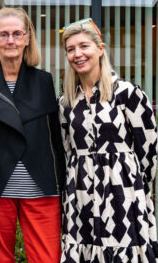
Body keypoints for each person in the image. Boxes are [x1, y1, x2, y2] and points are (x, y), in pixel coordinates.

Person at [0, 7, 65, 263]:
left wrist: (64, 188)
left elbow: (55, 141)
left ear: (28, 38)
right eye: (3, 34)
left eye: (17, 34)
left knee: (47, 259)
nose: (11, 41)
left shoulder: (44, 81)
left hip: (42, 188)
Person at [59, 18, 158, 262]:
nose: (77, 54)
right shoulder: (66, 102)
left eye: (84, 46)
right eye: (71, 49)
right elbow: (65, 148)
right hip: (79, 192)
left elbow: (149, 149)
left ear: (100, 49)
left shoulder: (128, 93)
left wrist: (137, 186)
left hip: (122, 191)